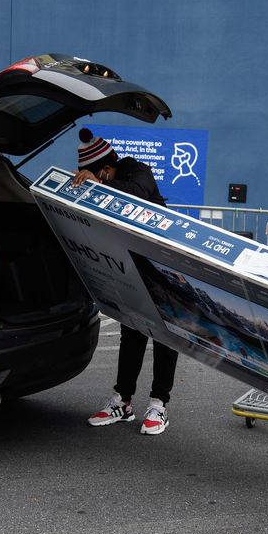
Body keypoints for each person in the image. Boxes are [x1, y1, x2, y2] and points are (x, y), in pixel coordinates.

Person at [72, 128, 179, 436]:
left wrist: (100, 183)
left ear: (105, 168)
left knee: (164, 333)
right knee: (132, 330)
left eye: (96, 174)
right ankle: (123, 401)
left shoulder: (137, 170)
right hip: (130, 265)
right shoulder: (106, 180)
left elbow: (139, 194)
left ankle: (159, 404)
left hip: (161, 263)